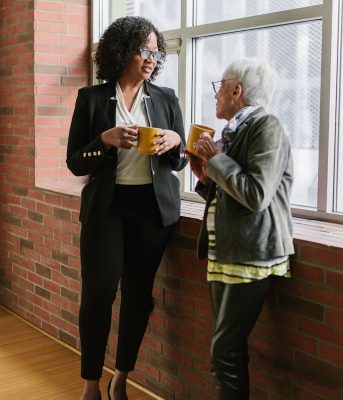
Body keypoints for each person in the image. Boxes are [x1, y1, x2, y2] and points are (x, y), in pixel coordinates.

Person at [66, 16, 187, 400]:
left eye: (154, 51)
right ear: (122, 51)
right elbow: (75, 162)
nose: (150, 58)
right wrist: (105, 139)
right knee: (99, 293)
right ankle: (90, 384)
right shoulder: (93, 99)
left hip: (152, 212)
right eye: (142, 50)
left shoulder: (166, 98)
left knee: (138, 295)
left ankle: (121, 375)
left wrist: (174, 140)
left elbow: (181, 161)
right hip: (108, 209)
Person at [186, 58, 294, 400]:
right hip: (229, 251)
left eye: (220, 87)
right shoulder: (236, 129)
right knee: (227, 351)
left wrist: (217, 159)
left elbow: (256, 194)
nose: (215, 96)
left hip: (253, 254)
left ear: (237, 90)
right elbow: (234, 191)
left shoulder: (267, 126)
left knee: (223, 352)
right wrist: (206, 178)